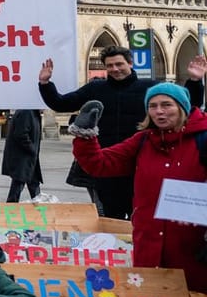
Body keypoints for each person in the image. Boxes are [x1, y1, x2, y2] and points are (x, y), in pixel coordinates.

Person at [70, 80, 207, 289]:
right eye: (153, 106)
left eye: (166, 105)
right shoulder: (143, 140)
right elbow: (100, 164)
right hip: (149, 251)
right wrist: (84, 135)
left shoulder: (202, 140)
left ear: (182, 107)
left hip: (193, 251)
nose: (159, 111)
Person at [39, 49, 150, 217]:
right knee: (110, 216)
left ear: (130, 64)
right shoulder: (96, 88)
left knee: (142, 215)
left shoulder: (149, 88)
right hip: (107, 163)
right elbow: (61, 103)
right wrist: (45, 84)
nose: (115, 69)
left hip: (141, 163)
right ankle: (115, 244)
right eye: (110, 65)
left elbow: (184, 105)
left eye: (119, 64)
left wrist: (194, 81)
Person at [2, 107, 44, 202]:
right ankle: (11, 208)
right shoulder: (27, 112)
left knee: (33, 183)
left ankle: (39, 207)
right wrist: (32, 148)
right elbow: (20, 134)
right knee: (18, 183)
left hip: (29, 157)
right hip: (22, 156)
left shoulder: (33, 112)